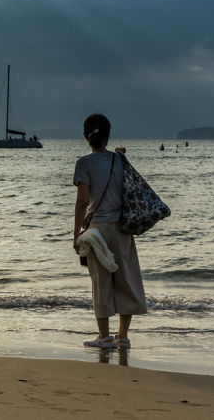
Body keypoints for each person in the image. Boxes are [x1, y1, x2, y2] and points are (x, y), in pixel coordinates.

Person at [72, 113, 147, 349]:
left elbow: (83, 201)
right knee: (126, 279)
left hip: (97, 230)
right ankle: (122, 336)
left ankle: (104, 336)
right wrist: (119, 155)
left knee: (101, 281)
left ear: (85, 136)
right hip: (122, 228)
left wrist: (76, 235)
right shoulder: (119, 160)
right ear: (108, 135)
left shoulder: (84, 163)